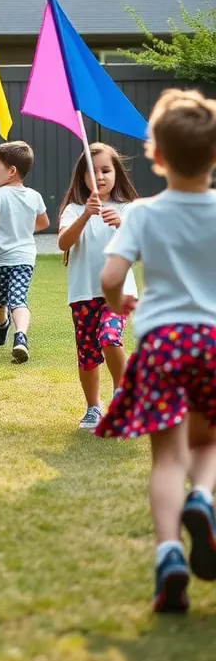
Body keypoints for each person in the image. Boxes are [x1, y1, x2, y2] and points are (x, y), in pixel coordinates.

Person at [96, 89, 216, 614]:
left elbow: (111, 276)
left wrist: (117, 301)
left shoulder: (142, 212)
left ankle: (168, 553)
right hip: (212, 340)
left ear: (156, 155)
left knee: (167, 457)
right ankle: (205, 498)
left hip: (162, 342)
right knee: (209, 445)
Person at [58, 143, 138, 431]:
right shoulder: (74, 210)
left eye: (106, 170)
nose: (100, 177)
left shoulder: (128, 210)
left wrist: (122, 226)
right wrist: (84, 216)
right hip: (83, 293)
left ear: (117, 173)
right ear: (83, 177)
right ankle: (93, 408)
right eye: (93, 172)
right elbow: (63, 243)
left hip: (118, 292)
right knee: (88, 354)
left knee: (109, 336)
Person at [0, 141, 49, 363]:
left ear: (11, 171)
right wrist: (23, 229)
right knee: (3, 301)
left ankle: (20, 337)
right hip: (11, 259)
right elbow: (43, 223)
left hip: (14, 259)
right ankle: (3, 324)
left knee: (14, 299)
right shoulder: (34, 196)